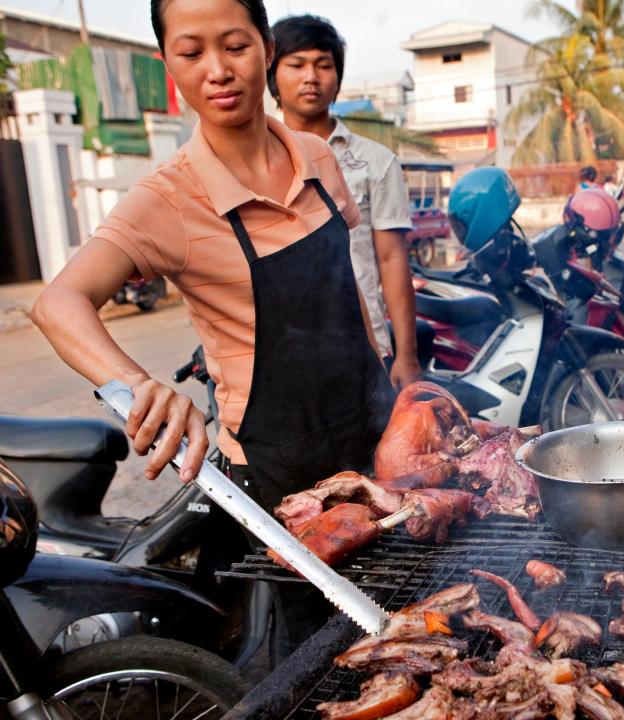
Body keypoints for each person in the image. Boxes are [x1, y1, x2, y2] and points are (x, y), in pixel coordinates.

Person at [30, 0, 394, 659]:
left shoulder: (316, 156)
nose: (219, 71)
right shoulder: (167, 198)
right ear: (169, 63)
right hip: (280, 479)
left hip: (374, 440)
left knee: (411, 624)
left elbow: (353, 288)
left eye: (236, 46)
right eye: (192, 53)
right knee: (324, 658)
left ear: (264, 47)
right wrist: (141, 386)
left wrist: (392, 377)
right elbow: (60, 303)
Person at [268, 15, 420, 387]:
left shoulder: (376, 161)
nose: (311, 77)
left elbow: (391, 258)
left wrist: (407, 355)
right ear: (271, 74)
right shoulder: (250, 159)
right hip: (279, 358)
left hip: (363, 350)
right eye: (296, 64)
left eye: (324, 65)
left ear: (337, 77)